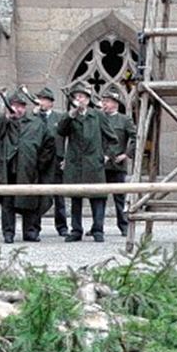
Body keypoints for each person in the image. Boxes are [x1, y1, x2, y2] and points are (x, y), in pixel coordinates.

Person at [0, 89, 55, 243]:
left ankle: (30, 232)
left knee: (30, 201)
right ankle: (8, 233)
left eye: (21, 106)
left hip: (30, 169)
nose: (18, 109)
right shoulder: (2, 122)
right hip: (8, 169)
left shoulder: (36, 124)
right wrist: (6, 118)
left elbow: (49, 144)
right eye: (15, 106)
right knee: (7, 202)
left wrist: (39, 164)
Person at [58, 83, 117, 242]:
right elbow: (60, 132)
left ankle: (98, 230)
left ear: (88, 99)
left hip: (93, 163)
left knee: (97, 197)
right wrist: (70, 115)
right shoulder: (70, 116)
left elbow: (113, 139)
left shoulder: (97, 115)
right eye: (76, 97)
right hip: (75, 164)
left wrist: (106, 155)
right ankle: (76, 230)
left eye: (82, 97)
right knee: (75, 198)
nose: (79, 100)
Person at [100, 88, 136, 235]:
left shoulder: (124, 120)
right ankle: (97, 226)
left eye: (107, 101)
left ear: (115, 104)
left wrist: (126, 154)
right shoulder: (98, 117)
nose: (104, 104)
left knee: (119, 198)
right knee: (98, 197)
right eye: (103, 101)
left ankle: (123, 225)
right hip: (100, 164)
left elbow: (135, 137)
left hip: (117, 164)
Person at [34, 86, 67, 237]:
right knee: (39, 194)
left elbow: (68, 138)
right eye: (39, 99)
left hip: (56, 160)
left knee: (59, 195)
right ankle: (35, 226)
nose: (40, 102)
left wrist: (65, 157)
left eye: (43, 100)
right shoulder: (34, 117)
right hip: (39, 161)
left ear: (51, 103)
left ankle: (62, 226)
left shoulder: (59, 118)